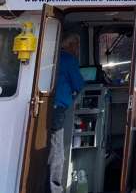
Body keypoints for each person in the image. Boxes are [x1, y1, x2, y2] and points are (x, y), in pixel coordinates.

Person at [48, 32, 85, 193]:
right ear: (71, 46)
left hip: (47, 107)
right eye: (76, 46)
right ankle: (55, 189)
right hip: (59, 108)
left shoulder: (52, 57)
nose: (78, 49)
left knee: (48, 147)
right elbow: (78, 84)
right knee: (57, 151)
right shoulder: (69, 60)